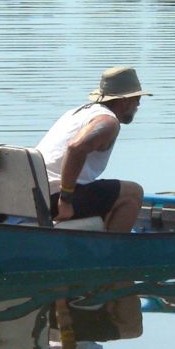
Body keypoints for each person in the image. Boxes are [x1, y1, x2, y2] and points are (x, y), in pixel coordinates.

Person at [36, 66, 151, 232]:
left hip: (34, 192)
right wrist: (66, 200)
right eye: (136, 98)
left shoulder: (77, 112)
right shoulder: (108, 122)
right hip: (53, 197)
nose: (139, 103)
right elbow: (76, 148)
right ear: (124, 100)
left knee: (109, 191)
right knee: (133, 193)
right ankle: (113, 253)